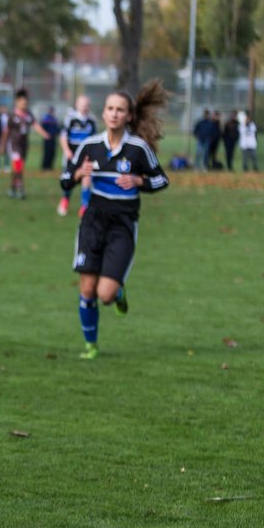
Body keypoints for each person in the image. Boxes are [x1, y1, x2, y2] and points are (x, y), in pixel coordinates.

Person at [60, 81, 170, 359]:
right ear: (104, 113)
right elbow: (63, 181)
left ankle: (118, 293)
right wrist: (77, 174)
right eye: (110, 108)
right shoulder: (90, 146)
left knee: (105, 295)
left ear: (129, 116)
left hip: (122, 225)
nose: (114, 114)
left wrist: (138, 180)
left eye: (120, 110)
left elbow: (161, 180)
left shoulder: (138, 148)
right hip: (93, 222)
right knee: (87, 290)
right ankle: (91, 346)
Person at [0, 89, 48, 200]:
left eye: (26, 102)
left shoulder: (28, 114)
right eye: (22, 102)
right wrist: (2, 145)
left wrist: (45, 134)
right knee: (18, 166)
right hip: (13, 144)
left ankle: (12, 188)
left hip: (24, 145)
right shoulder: (11, 115)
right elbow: (6, 131)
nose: (24, 104)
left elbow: (35, 125)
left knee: (18, 169)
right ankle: (21, 189)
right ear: (17, 102)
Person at [58, 95, 98, 216]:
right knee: (69, 179)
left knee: (87, 178)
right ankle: (65, 200)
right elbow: (63, 136)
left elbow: (95, 139)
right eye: (82, 105)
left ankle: (84, 206)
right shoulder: (70, 119)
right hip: (71, 156)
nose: (84, 107)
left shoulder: (92, 120)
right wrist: (66, 150)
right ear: (77, 105)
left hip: (86, 157)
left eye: (86, 105)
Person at [39, 106, 60, 170]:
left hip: (53, 138)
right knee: (47, 153)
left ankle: (50, 166)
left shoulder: (54, 119)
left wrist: (57, 134)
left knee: (52, 152)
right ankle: (45, 166)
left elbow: (57, 128)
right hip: (47, 138)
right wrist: (45, 134)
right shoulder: (46, 118)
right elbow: (43, 127)